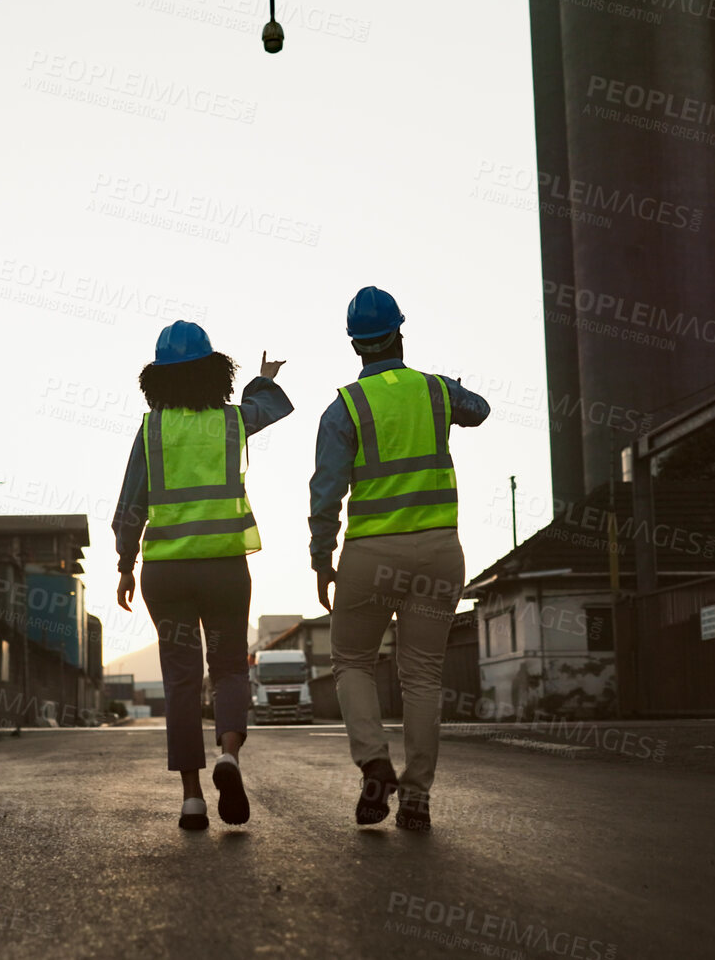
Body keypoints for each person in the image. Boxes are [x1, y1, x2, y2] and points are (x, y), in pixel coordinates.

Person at [309, 287, 489, 832]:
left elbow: (325, 491)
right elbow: (479, 410)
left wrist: (322, 557)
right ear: (400, 333)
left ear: (355, 345)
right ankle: (416, 798)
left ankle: (373, 760)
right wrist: (446, 387)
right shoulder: (434, 391)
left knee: (353, 662)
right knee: (423, 676)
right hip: (437, 553)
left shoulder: (344, 408)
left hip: (370, 556)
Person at [114, 320, 292, 831]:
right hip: (224, 568)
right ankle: (230, 756)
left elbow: (130, 508)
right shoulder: (232, 422)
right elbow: (270, 408)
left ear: (157, 381)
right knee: (231, 668)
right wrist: (263, 377)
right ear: (216, 373)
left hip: (165, 574)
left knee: (181, 681)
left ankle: (192, 799)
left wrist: (126, 565)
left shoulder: (151, 430)